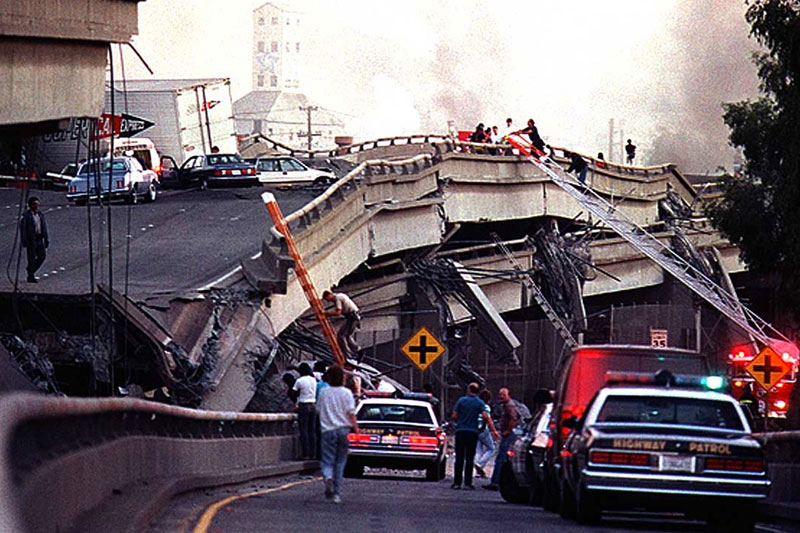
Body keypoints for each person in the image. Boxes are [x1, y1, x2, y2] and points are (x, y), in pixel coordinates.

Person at [317, 365, 358, 503]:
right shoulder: (346, 393)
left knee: (327, 460)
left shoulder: (323, 392)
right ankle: (337, 494)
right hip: (343, 430)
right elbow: (351, 413)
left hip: (327, 430)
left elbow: (318, 410)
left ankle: (328, 477)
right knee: (340, 462)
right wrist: (356, 428)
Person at [451, 382, 499, 490]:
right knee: (469, 457)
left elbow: (454, 416)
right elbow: (486, 417)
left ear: (469, 389)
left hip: (461, 431)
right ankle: (468, 482)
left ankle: (457, 482)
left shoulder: (461, 400)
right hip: (472, 432)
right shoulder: (480, 403)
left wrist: (460, 421)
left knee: (459, 457)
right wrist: (489, 429)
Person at [484, 387, 520, 490]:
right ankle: (496, 481)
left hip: (508, 435)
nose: (501, 396)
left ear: (509, 395)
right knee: (501, 458)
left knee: (501, 458)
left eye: (504, 395)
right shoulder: (505, 406)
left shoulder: (510, 406)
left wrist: (508, 431)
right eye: (500, 394)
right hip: (507, 434)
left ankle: (496, 482)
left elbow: (514, 419)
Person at [323, 290, 361, 358]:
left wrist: (326, 313)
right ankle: (358, 350)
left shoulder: (337, 298)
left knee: (341, 335)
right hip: (354, 317)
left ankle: (348, 354)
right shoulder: (341, 295)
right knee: (347, 335)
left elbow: (338, 312)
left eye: (327, 299)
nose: (329, 301)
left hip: (352, 317)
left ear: (329, 295)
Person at [20, 196, 49, 283]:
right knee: (31, 258)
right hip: (31, 240)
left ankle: (31, 270)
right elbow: (23, 229)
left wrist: (46, 239)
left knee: (42, 257)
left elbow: (44, 227)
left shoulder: (40, 214)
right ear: (30, 205)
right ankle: (31, 276)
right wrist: (24, 241)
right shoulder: (26, 216)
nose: (37, 206)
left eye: (37, 204)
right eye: (35, 204)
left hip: (40, 239)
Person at [292, 363, 318, 459]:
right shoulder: (313, 380)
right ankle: (313, 453)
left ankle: (305, 454)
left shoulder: (299, 381)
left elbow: (294, 393)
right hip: (313, 405)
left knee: (304, 430)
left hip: (304, 405)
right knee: (312, 430)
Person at [474, 388, 496, 478]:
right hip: (483, 430)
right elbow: (487, 418)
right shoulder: (486, 407)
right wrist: (493, 430)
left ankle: (478, 471)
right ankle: (480, 463)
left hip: (475, 429)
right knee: (491, 448)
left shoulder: (476, 405)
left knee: (478, 450)